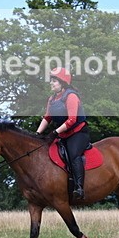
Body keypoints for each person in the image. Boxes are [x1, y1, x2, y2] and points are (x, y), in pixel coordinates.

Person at [36, 67, 90, 200]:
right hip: (63, 134)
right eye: (51, 80)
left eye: (54, 81)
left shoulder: (71, 96)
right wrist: (37, 134)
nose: (51, 83)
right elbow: (47, 117)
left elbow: (72, 120)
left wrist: (55, 132)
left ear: (62, 83)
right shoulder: (52, 99)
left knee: (73, 154)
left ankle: (79, 188)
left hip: (78, 133)